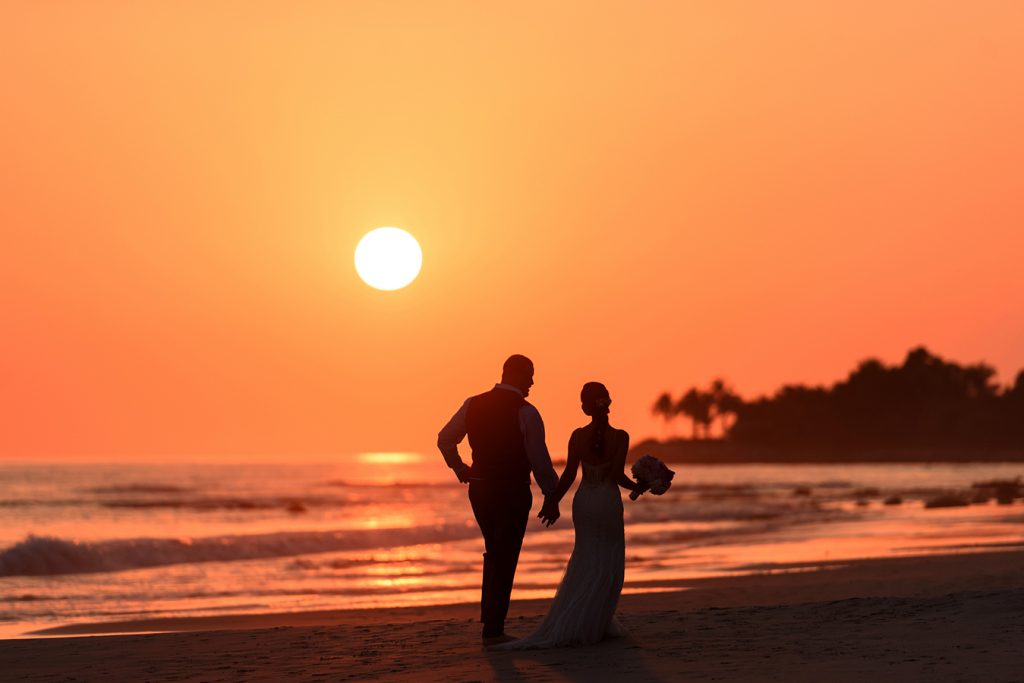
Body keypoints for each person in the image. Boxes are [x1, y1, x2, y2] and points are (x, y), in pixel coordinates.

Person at [496, 381, 643, 649]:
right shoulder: (621, 437)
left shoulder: (577, 436)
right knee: (608, 564)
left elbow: (569, 475)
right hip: (608, 502)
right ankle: (595, 622)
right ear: (608, 403)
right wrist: (640, 486)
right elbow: (616, 476)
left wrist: (552, 502)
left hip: (584, 502)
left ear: (585, 407)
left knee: (585, 559)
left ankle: (585, 620)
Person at [436, 354, 561, 646]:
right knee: (505, 554)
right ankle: (493, 629)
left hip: (479, 491)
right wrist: (551, 493)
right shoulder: (527, 412)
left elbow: (445, 439)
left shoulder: (473, 404)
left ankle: (491, 623)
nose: (532, 382)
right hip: (512, 490)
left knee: (494, 550)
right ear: (515, 374)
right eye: (529, 375)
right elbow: (538, 458)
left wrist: (460, 468)